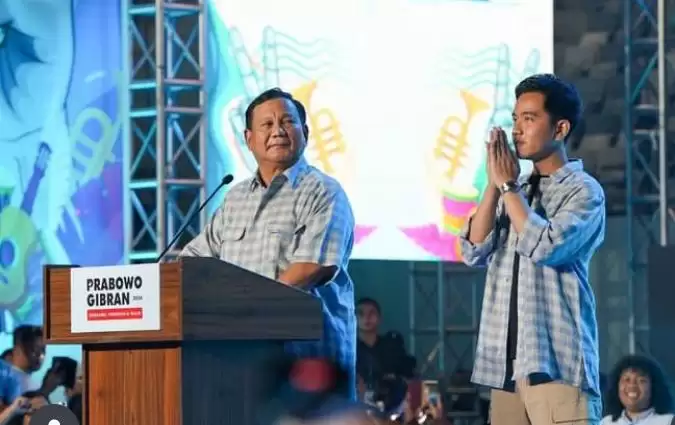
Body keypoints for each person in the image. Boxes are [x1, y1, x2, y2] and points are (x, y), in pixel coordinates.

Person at [180, 87, 357, 398]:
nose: (278, 131)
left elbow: (311, 269)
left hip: (309, 366)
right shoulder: (235, 198)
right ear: (249, 140)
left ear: (305, 133)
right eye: (267, 124)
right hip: (238, 361)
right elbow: (192, 263)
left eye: (287, 122)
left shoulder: (323, 192)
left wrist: (243, 312)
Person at [460, 74, 606, 425]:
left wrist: (508, 187)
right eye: (515, 119)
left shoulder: (584, 191)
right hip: (506, 371)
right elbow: (473, 250)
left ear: (560, 129)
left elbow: (546, 246)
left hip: (557, 366)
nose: (517, 130)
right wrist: (495, 185)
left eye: (529, 119)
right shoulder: (515, 188)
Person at [602, 355, 675, 425]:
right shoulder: (606, 422)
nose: (632, 385)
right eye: (627, 379)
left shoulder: (668, 421)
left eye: (641, 380)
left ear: (654, 387)